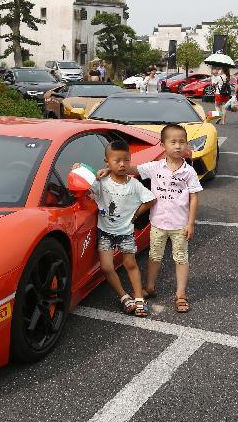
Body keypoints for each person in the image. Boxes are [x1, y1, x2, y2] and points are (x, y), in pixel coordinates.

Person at [97, 124, 201, 312]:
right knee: (154, 256)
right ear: (163, 145)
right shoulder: (155, 167)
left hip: (180, 224)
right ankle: (149, 287)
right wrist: (107, 171)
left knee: (180, 258)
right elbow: (130, 168)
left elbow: (194, 197)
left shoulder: (189, 172)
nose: (178, 146)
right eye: (173, 142)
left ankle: (181, 294)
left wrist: (191, 223)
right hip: (158, 223)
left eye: (182, 142)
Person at [74, 140, 156, 317]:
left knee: (130, 264)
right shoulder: (102, 182)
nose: (122, 164)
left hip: (125, 233)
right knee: (106, 267)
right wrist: (79, 168)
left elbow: (151, 199)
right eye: (117, 160)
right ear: (107, 162)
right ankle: (124, 297)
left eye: (126, 160)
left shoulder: (134, 185)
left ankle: (140, 298)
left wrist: (135, 214)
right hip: (105, 233)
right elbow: (85, 183)